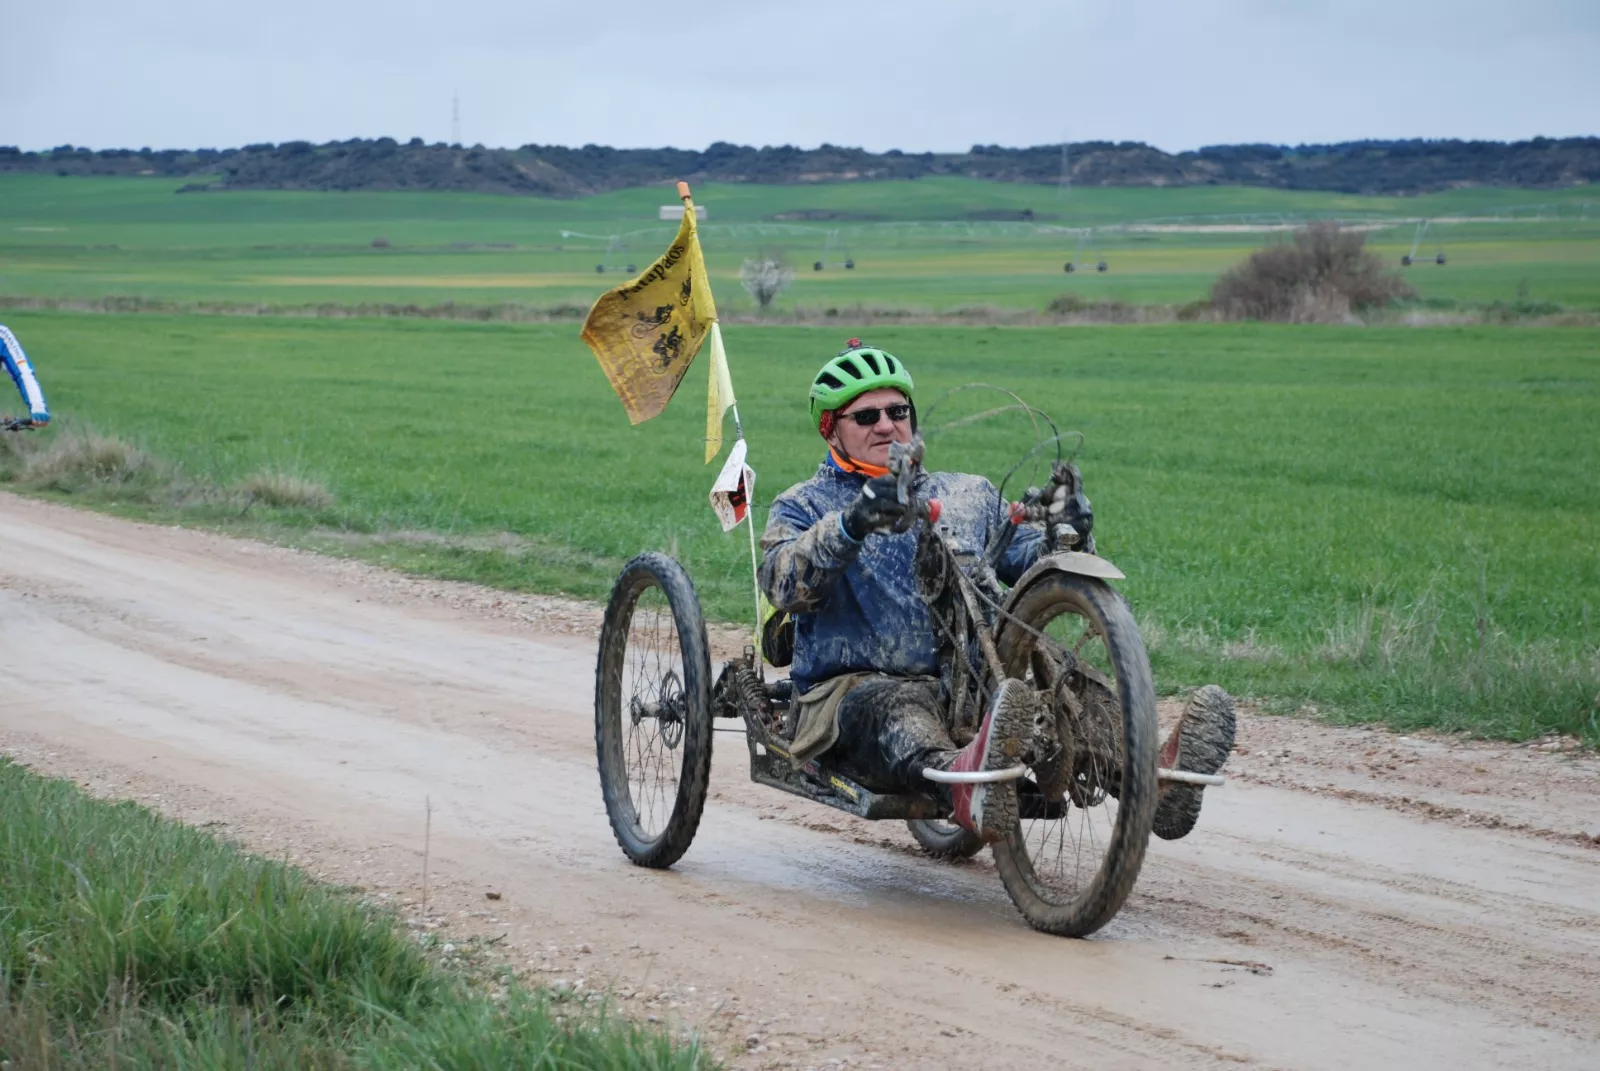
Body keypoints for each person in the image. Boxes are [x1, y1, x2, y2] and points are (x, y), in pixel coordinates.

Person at [759, 340, 1234, 844]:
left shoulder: (967, 494)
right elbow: (783, 583)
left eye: (898, 411)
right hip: (852, 692)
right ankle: (966, 783)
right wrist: (852, 524)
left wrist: (1068, 532)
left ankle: (1154, 785)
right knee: (893, 709)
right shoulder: (803, 505)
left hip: (972, 682)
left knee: (1060, 679)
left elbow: (1037, 567)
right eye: (866, 416)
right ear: (831, 429)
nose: (885, 424)